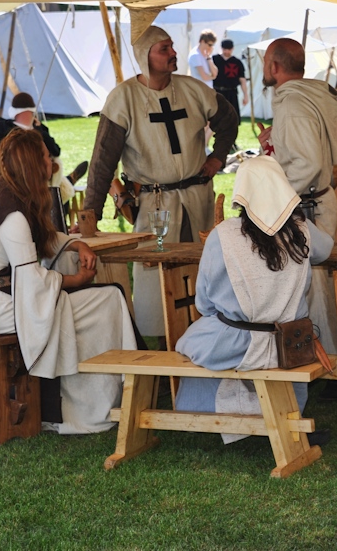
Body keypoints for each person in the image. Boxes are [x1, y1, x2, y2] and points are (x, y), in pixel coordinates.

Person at [0, 129, 141, 434]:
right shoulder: (11, 212)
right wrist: (76, 279)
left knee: (106, 297)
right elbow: (32, 280)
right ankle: (84, 408)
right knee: (109, 299)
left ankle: (107, 394)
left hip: (6, 299)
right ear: (34, 164)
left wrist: (76, 244)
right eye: (46, 156)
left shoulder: (11, 197)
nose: (52, 162)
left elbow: (43, 238)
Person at [84, 26, 238, 339]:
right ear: (145, 56)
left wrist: (218, 157)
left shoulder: (193, 90)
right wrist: (90, 213)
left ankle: (207, 334)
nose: (173, 53)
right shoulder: (123, 99)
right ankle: (163, 339)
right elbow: (102, 162)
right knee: (155, 279)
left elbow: (229, 120)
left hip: (196, 198)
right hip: (155, 206)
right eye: (164, 49)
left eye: (171, 46)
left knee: (203, 269)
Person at [173, 156, 334, 442]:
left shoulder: (222, 235)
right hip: (289, 344)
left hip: (233, 344)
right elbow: (326, 249)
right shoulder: (301, 230)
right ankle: (277, 418)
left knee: (188, 343)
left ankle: (206, 417)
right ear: (281, 187)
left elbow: (205, 303)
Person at [256, 38, 337, 399]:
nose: (264, 68)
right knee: (310, 289)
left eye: (265, 62)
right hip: (311, 201)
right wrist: (276, 142)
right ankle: (319, 364)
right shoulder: (306, 96)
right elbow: (306, 151)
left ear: (275, 67)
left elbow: (308, 164)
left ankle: (329, 369)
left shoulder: (293, 104)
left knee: (313, 291)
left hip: (305, 207)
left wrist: (272, 197)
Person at [212, 39, 249, 110]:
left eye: (229, 49)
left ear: (232, 49)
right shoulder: (214, 59)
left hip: (231, 93)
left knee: (232, 114)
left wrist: (245, 95)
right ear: (221, 48)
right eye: (225, 49)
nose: (227, 51)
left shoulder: (237, 62)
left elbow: (242, 80)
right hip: (217, 92)